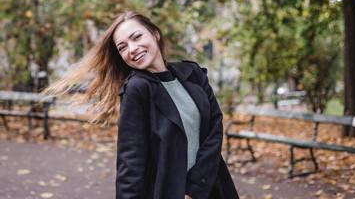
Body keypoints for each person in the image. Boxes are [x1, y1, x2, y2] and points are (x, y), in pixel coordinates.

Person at [43, 11, 239, 199]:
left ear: (155, 34)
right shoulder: (136, 89)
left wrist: (195, 187)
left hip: (211, 186)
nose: (132, 49)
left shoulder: (193, 73)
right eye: (122, 47)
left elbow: (214, 128)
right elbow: (131, 162)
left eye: (136, 37)